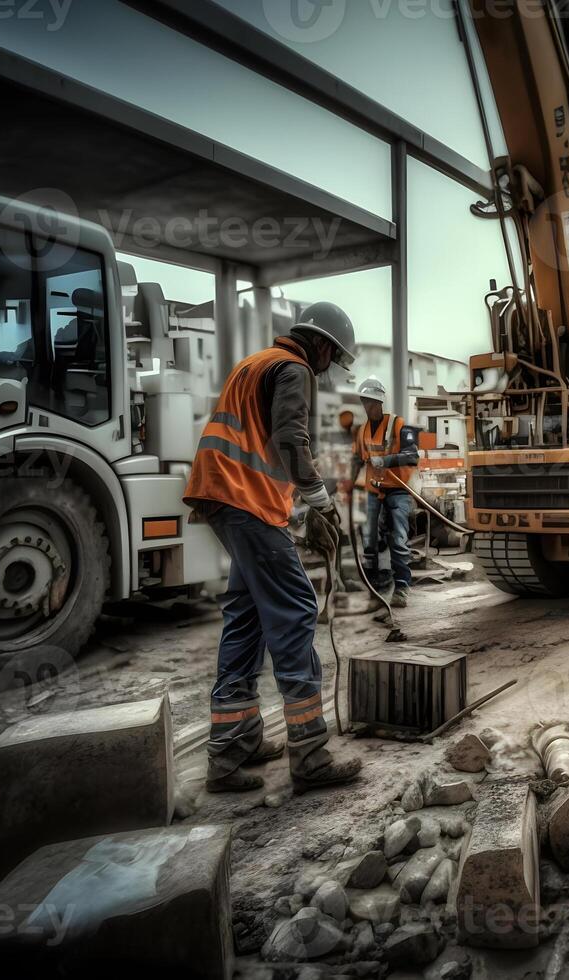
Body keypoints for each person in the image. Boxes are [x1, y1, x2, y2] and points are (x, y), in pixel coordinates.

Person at [183, 302, 364, 796]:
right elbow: (289, 438)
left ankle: (230, 751)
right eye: (334, 357)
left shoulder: (255, 362)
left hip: (225, 497)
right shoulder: (295, 368)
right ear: (322, 345)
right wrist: (321, 501)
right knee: (295, 609)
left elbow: (262, 440)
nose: (329, 370)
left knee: (246, 616)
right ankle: (309, 753)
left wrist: (294, 510)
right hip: (247, 504)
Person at [355, 376, 418, 607]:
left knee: (398, 539)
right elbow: (356, 461)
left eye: (371, 402)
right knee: (368, 540)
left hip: (398, 491)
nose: (368, 406)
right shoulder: (361, 431)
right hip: (373, 491)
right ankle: (373, 587)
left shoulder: (401, 426)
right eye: (365, 402)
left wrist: (386, 460)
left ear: (380, 402)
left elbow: (412, 456)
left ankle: (401, 587)